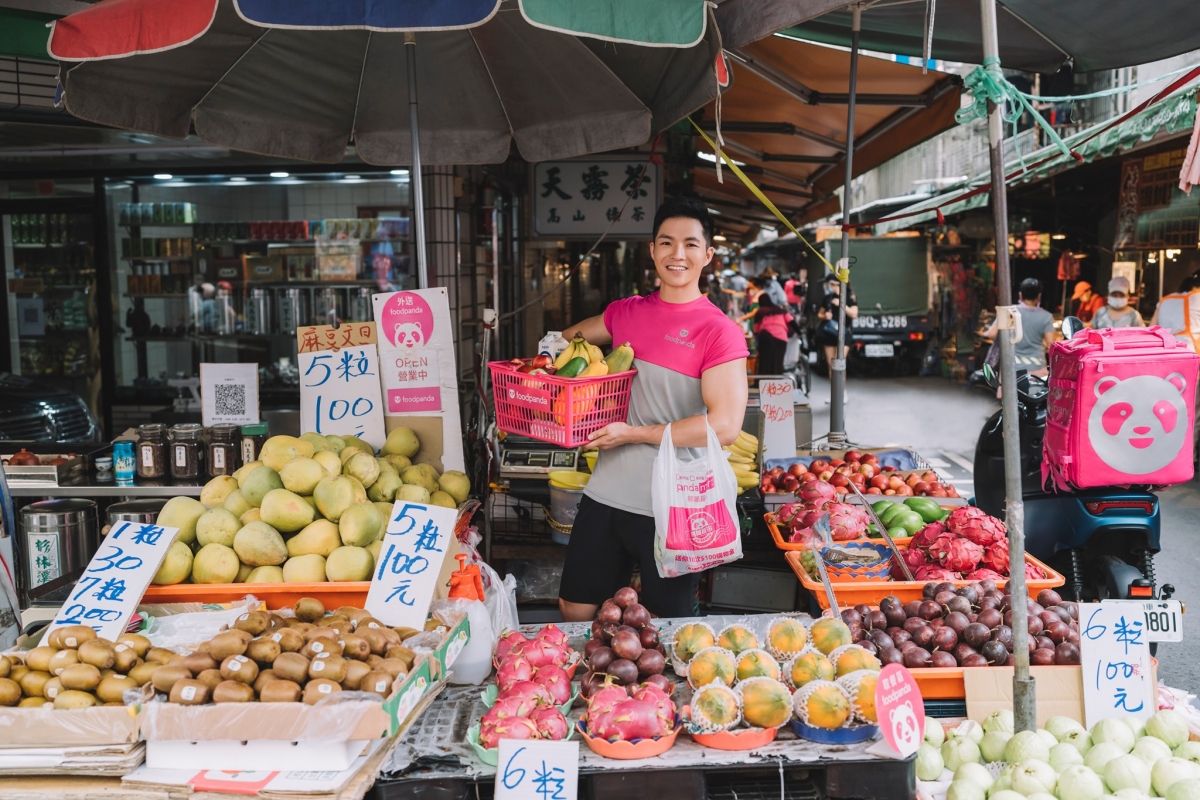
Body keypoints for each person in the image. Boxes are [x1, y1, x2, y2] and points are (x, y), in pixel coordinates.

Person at [556, 197, 749, 620]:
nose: (677, 254)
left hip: (675, 502)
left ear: (708, 255)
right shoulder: (624, 313)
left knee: (666, 623)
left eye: (690, 244)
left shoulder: (719, 332)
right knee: (575, 607)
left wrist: (632, 433)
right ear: (652, 250)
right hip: (607, 492)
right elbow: (563, 343)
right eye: (666, 243)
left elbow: (725, 426)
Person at [984, 277, 1057, 381]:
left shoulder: (1009, 311)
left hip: (1011, 368)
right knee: (1035, 396)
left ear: (1020, 295)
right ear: (1039, 296)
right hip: (1037, 370)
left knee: (1009, 397)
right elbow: (1051, 344)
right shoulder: (1046, 316)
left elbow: (991, 334)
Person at [816, 274, 858, 400]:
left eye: (830, 284)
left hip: (843, 334)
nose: (828, 287)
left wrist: (841, 304)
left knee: (839, 362)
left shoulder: (849, 295)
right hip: (829, 333)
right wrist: (825, 317)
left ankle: (842, 392)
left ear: (836, 284)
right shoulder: (827, 297)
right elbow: (820, 314)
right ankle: (834, 393)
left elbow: (854, 313)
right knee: (831, 364)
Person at [1151, 271, 1200, 351]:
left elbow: (1152, 327)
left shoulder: (1164, 300)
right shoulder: (1197, 297)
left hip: (1166, 351)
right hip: (1191, 351)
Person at [753, 290, 792, 375]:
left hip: (765, 337)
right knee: (778, 361)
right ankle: (777, 382)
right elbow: (791, 321)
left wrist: (756, 340)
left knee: (764, 361)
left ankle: (762, 382)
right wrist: (798, 332)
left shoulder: (760, 311)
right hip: (781, 338)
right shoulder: (780, 310)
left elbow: (755, 329)